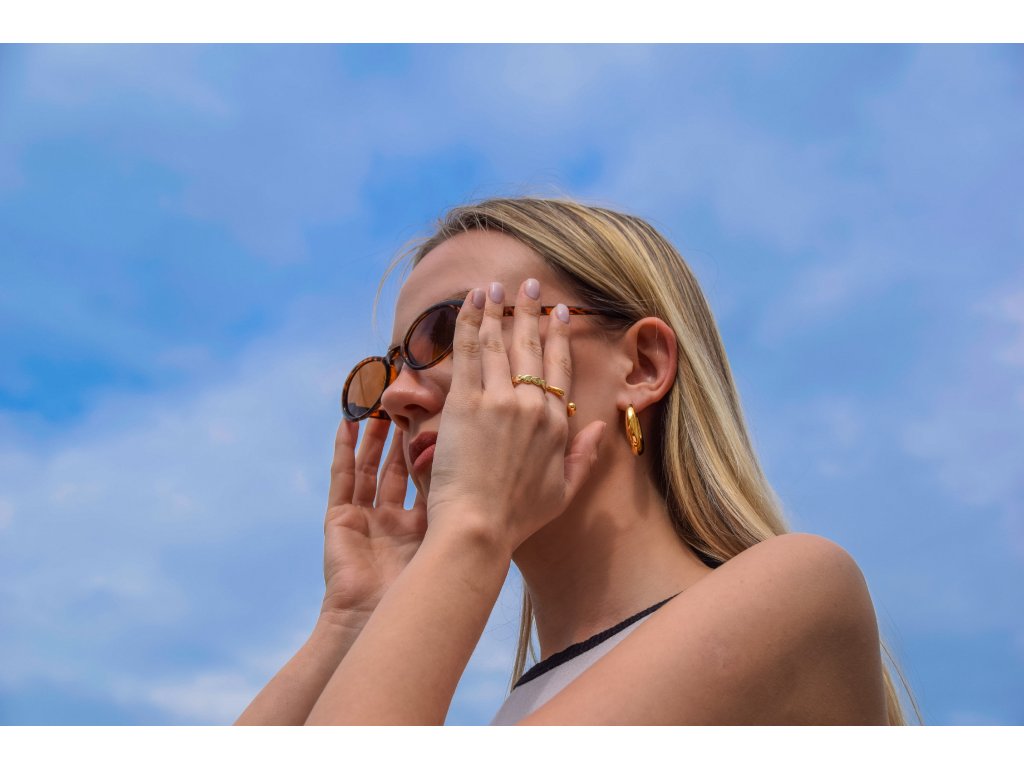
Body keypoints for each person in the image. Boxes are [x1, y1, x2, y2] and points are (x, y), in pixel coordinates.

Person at [236, 197, 913, 725]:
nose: (398, 396)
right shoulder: (531, 705)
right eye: (387, 369)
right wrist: (354, 620)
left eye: (450, 331)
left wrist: (472, 527)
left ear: (641, 365)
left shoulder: (799, 591)